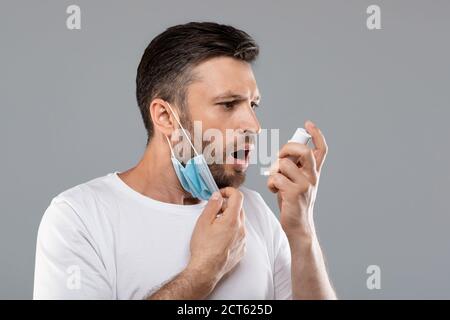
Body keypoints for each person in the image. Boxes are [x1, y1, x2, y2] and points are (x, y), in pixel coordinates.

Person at [33, 22, 336, 300]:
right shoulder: (79, 218)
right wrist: (203, 272)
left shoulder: (254, 212)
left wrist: (301, 230)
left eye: (252, 104)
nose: (254, 125)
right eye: (228, 104)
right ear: (165, 116)